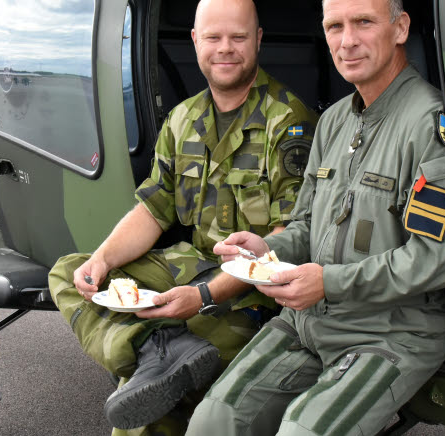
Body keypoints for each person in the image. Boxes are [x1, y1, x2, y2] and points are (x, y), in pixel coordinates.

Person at [186, 0, 445, 434]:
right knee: (214, 421)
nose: (347, 41)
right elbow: (305, 225)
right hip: (308, 322)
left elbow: (442, 258)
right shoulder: (334, 121)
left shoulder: (427, 122)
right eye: (334, 26)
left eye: (363, 22)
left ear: (400, 29)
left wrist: (329, 283)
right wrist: (266, 249)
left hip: (390, 334)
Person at [47, 0, 318, 433]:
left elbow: (291, 236)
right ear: (195, 41)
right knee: (69, 272)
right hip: (190, 266)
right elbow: (153, 210)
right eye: (213, 37)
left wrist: (207, 296)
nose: (225, 49)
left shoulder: (288, 122)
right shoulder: (182, 120)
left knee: (146, 401)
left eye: (238, 37)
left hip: (252, 295)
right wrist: (101, 260)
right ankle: (156, 347)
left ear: (259, 40)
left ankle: (153, 363)